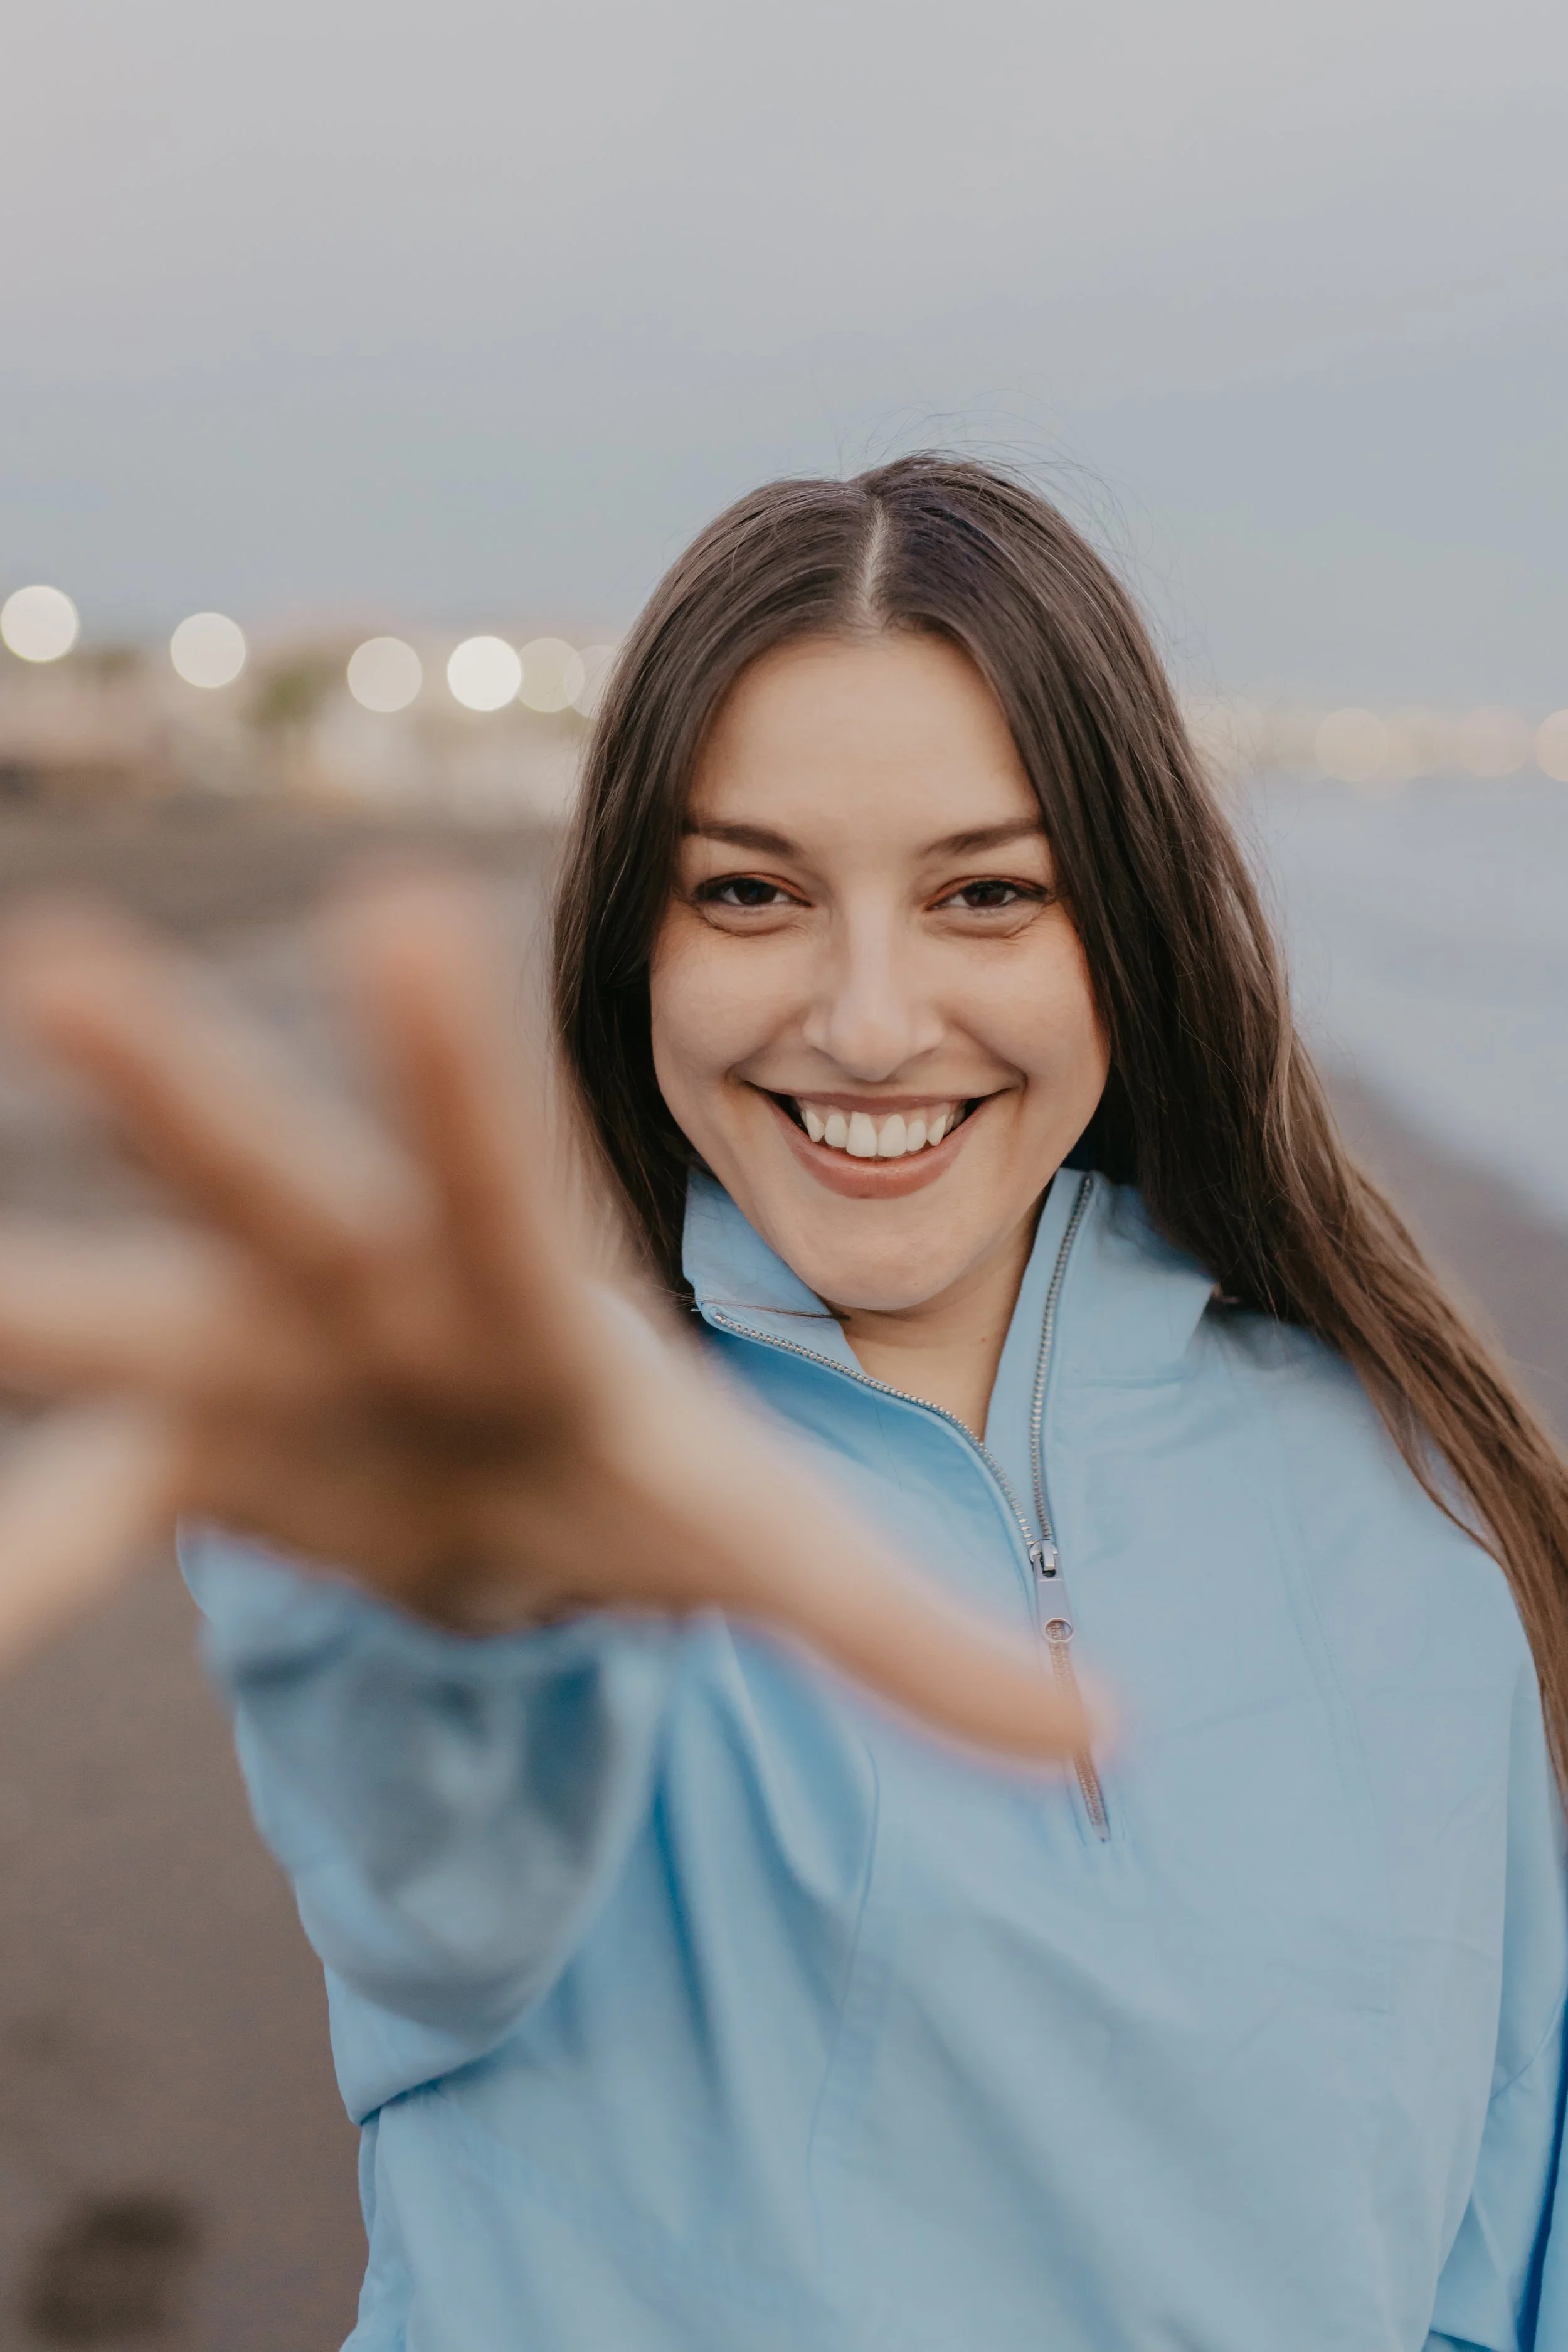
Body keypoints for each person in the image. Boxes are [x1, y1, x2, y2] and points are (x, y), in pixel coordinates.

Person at [0, 455, 1563, 2351]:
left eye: (987, 891)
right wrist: (457, 1603)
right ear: (632, 948)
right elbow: (443, 1854)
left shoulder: (1409, 1488)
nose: (871, 1016)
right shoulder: (580, 1496)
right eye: (749, 890)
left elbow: (1501, 2246)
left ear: (1129, 938)